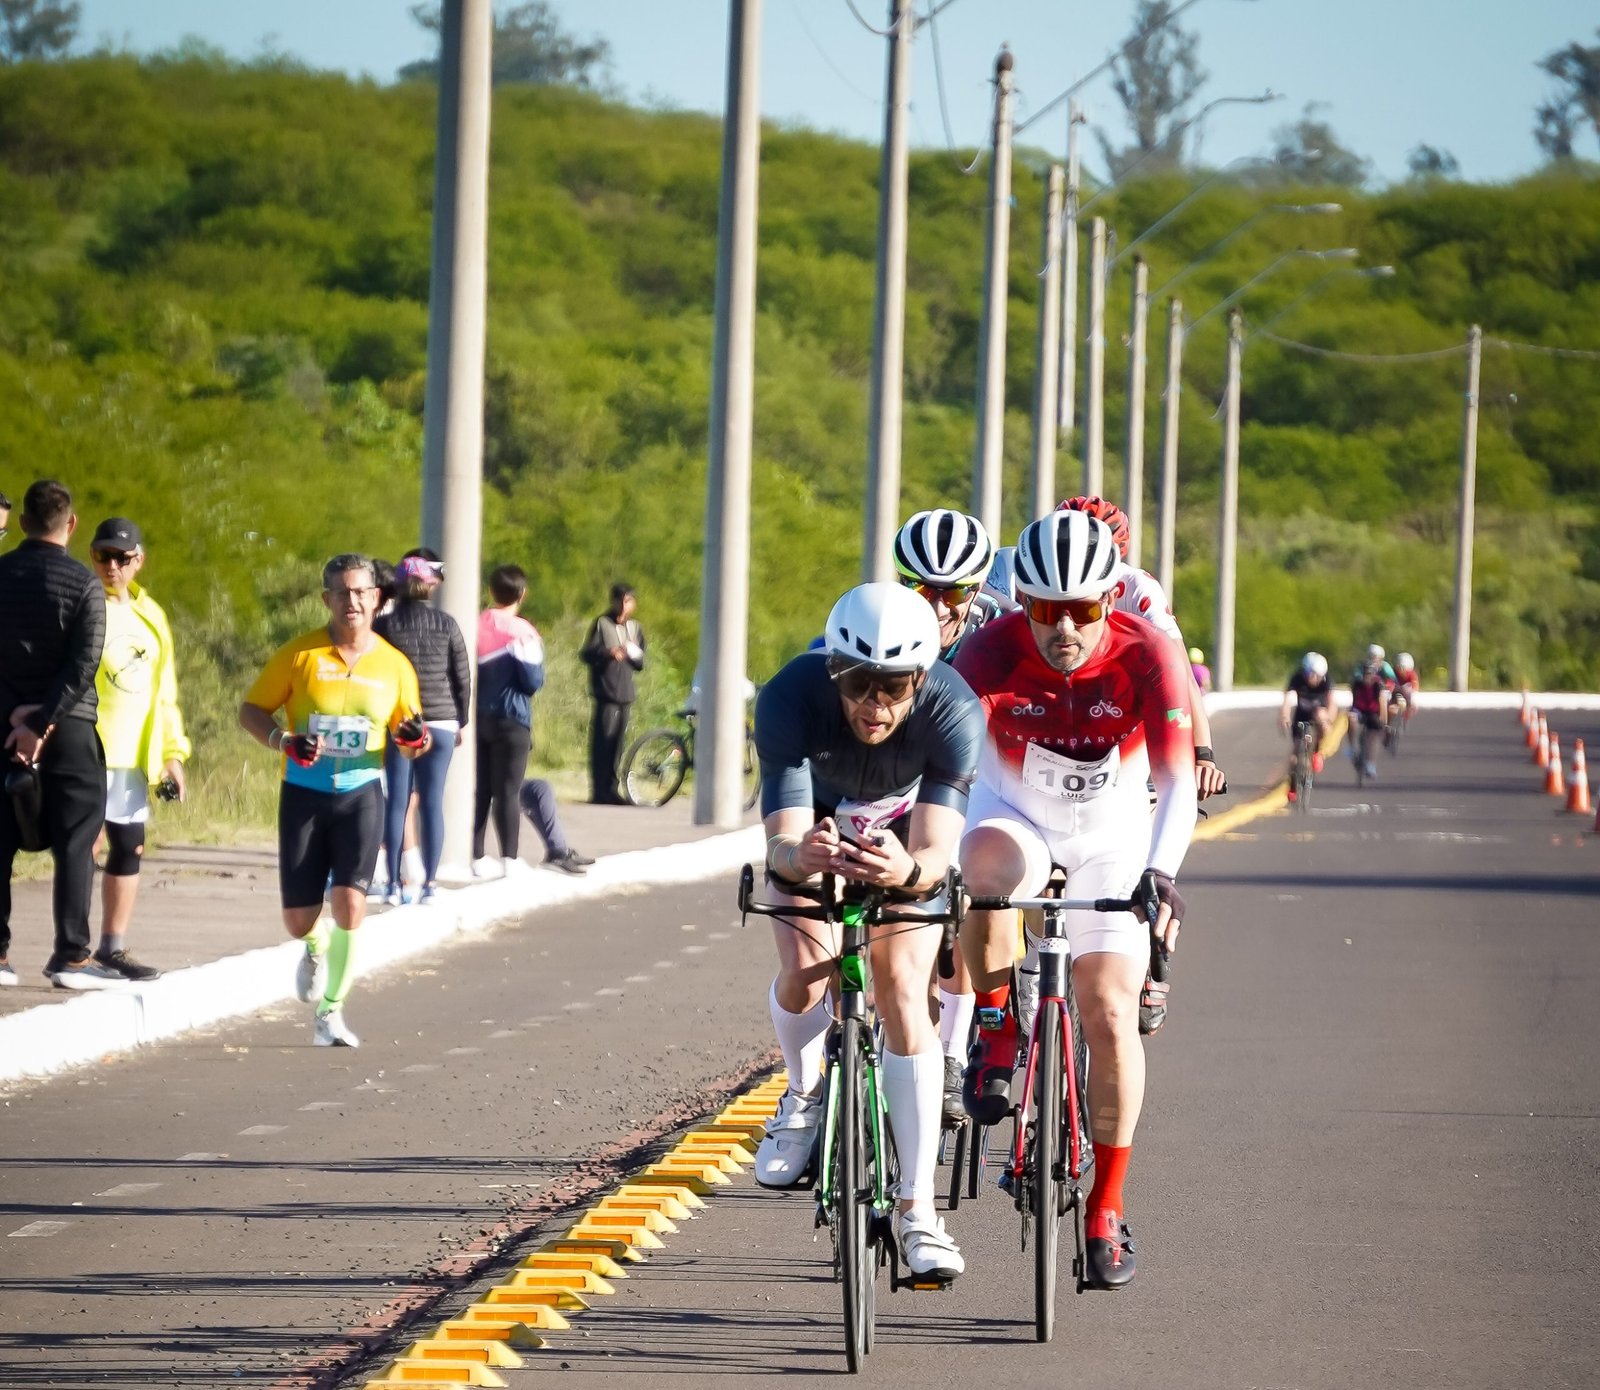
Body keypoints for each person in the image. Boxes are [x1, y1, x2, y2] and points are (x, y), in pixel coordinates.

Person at [953, 510, 1198, 1291]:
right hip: (1013, 816)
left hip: (1112, 836)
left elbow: (1179, 783)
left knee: (1108, 1007)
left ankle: (1105, 1209)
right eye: (1046, 609)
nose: (1064, 627)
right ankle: (995, 1021)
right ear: (1021, 598)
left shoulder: (1146, 652)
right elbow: (943, 770)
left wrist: (1159, 874)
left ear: (1110, 599)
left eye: (1083, 610)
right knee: (982, 871)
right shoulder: (984, 653)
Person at [752, 582, 983, 1284]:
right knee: (806, 971)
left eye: (893, 686)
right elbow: (782, 847)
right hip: (817, 832)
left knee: (904, 992)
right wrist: (802, 857)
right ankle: (802, 1093)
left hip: (903, 841)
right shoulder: (790, 697)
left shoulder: (953, 709)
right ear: (833, 672)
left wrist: (907, 870)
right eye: (857, 684)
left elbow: (938, 857)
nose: (874, 705)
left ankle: (918, 1211)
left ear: (922, 677)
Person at [238, 553, 430, 1048]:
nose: (353, 601)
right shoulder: (300, 655)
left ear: (378, 598)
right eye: (342, 593)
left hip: (361, 795)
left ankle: (331, 1012)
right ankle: (314, 945)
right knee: (299, 918)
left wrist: (415, 737)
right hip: (304, 794)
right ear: (326, 599)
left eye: (362, 592)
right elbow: (251, 710)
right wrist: (283, 741)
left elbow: (411, 737)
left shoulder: (395, 666)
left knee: (351, 905)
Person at [892, 507, 997, 1122]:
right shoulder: (877, 619)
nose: (937, 603)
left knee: (961, 904)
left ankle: (954, 1054)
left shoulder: (999, 631)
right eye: (921, 587)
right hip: (898, 776)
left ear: (976, 590)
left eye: (954, 590)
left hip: (979, 777)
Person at [0, 480, 117, 990]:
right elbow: (84, 662)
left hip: (1, 726)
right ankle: (70, 955)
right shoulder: (84, 584)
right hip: (68, 725)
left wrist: (17, 720)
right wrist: (44, 719)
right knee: (76, 838)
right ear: (70, 525)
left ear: (22, 523)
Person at [89, 517, 191, 980]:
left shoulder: (151, 615)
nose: (112, 566)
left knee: (128, 849)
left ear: (138, 561)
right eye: (103, 556)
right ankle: (70, 949)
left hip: (135, 758)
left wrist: (173, 753)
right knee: (81, 848)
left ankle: (112, 947)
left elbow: (165, 692)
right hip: (89, 748)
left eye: (122, 558)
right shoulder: (84, 604)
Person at [476, 565, 589, 875]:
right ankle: (509, 860)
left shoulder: (475, 624)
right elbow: (532, 681)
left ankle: (476, 857)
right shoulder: (523, 632)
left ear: (490, 591)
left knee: (482, 789)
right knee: (508, 791)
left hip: (479, 718)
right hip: (513, 718)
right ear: (522, 595)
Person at [373, 550, 471, 905]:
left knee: (397, 801)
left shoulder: (385, 626)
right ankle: (429, 884)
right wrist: (461, 720)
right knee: (432, 801)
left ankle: (394, 884)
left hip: (401, 720)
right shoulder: (447, 624)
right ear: (429, 586)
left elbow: (376, 673)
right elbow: (462, 677)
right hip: (443, 721)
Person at [580, 583, 645, 805]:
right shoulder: (601, 624)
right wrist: (608, 653)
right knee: (602, 744)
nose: (624, 606)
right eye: (621, 601)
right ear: (614, 601)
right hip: (606, 693)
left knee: (617, 743)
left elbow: (640, 663)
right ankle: (599, 791)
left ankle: (612, 789)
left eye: (629, 601)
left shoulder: (635, 628)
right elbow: (587, 654)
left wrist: (631, 653)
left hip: (625, 694)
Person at [1279, 651, 1334, 800]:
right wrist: (1284, 716)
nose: (1313, 678)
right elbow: (1287, 700)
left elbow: (1331, 703)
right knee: (1295, 755)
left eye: (1317, 675)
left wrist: (1328, 720)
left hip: (1318, 714)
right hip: (1301, 715)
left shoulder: (1326, 680)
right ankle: (1292, 785)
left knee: (1321, 716)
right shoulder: (1297, 678)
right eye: (1310, 673)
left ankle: (1317, 750)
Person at [1348, 644, 1394, 779]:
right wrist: (1354, 712)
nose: (1368, 677)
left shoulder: (1378, 685)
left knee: (1373, 736)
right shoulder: (1357, 683)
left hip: (1373, 711)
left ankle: (1370, 764)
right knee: (1351, 719)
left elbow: (1382, 703)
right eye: (1366, 674)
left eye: (1371, 674)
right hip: (1360, 709)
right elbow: (1354, 700)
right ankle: (1352, 748)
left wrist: (1384, 723)